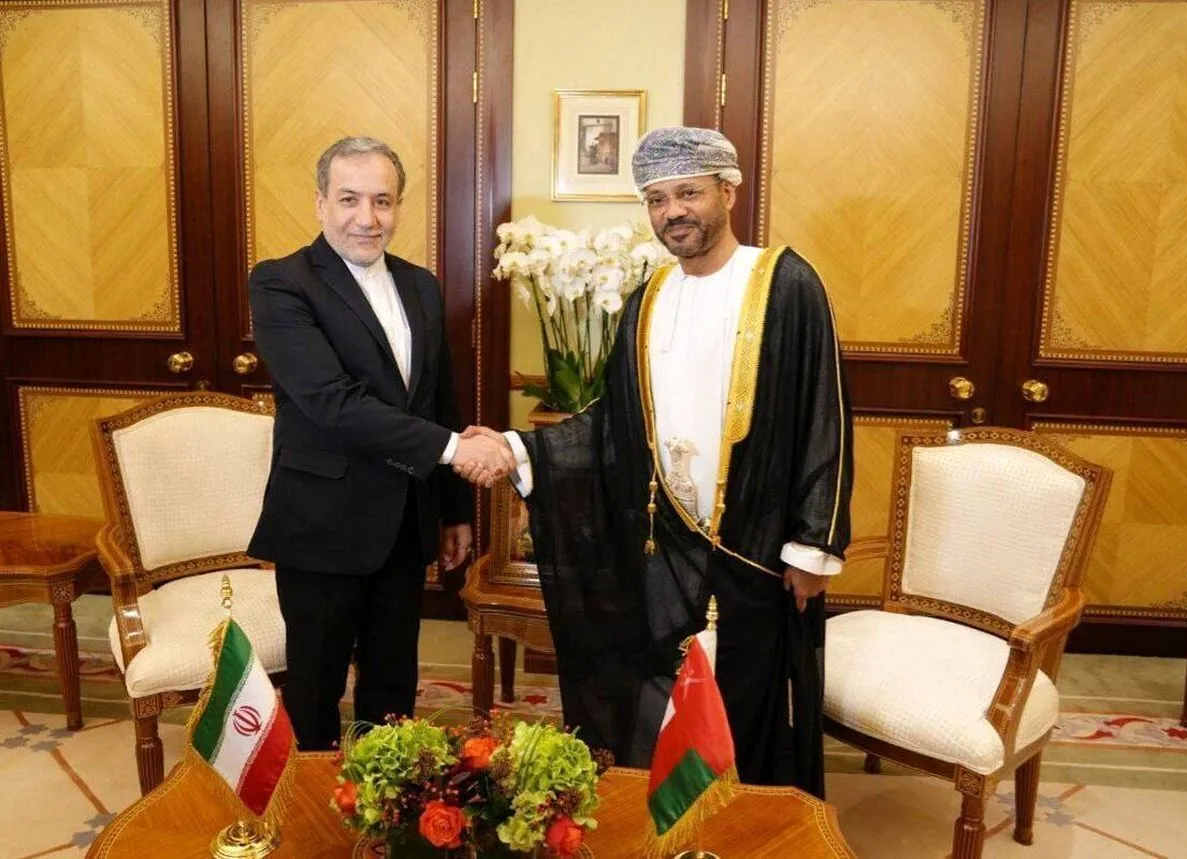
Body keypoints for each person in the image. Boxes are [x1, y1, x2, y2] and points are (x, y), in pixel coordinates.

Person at [460, 127, 852, 796]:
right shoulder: (649, 297)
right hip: (660, 546)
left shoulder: (784, 283)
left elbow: (825, 415)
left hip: (753, 546)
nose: (672, 212)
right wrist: (518, 448)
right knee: (658, 693)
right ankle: (659, 820)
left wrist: (814, 546)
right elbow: (612, 418)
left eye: (688, 193)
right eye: (657, 199)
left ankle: (736, 825)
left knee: (743, 699)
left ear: (728, 191)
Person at [247, 136, 514, 750]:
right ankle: (310, 799)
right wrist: (456, 450)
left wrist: (453, 511)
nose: (367, 218)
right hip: (322, 524)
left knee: (393, 685)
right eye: (349, 199)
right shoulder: (281, 283)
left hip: (404, 522)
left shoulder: (421, 285)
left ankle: (380, 795)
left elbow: (440, 400)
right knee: (315, 688)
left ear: (398, 207)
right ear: (321, 203)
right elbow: (332, 401)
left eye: (382, 201)